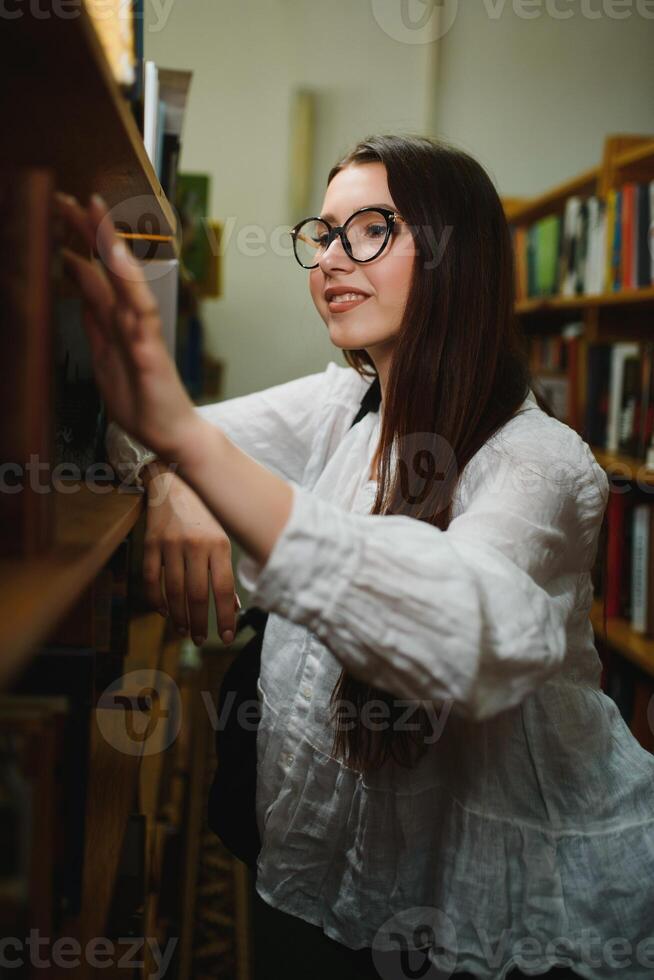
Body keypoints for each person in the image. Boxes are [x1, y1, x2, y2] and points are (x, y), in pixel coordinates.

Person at [56, 135, 654, 980]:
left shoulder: (540, 462)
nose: (332, 259)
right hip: (330, 883)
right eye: (323, 234)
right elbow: (128, 425)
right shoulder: (345, 404)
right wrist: (170, 480)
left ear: (458, 257)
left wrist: (186, 440)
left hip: (498, 924)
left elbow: (463, 632)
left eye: (370, 229)